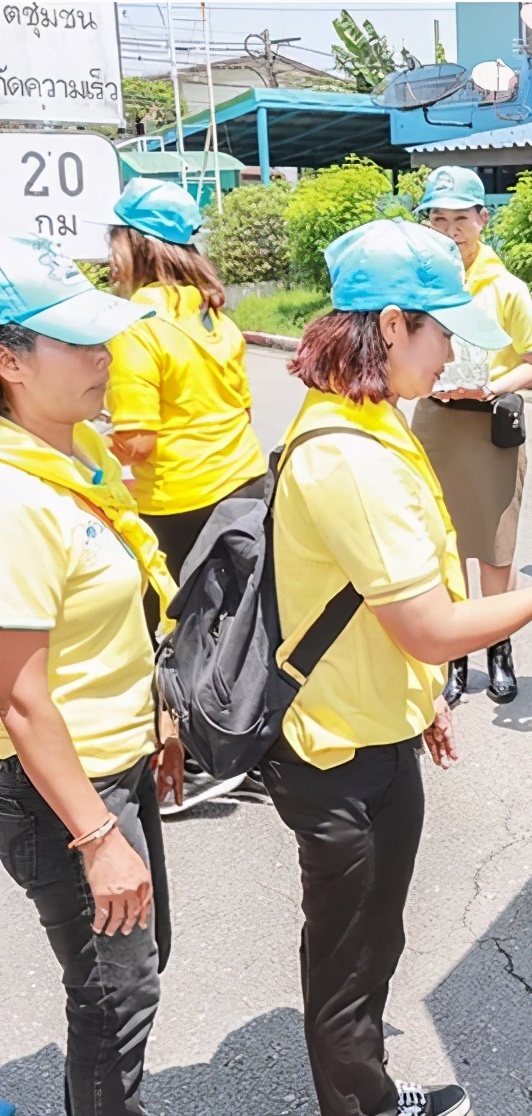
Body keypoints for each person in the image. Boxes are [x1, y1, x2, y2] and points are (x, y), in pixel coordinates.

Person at [267, 218, 532, 1116]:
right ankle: (365, 1108)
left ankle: (366, 1096)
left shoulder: (367, 418)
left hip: (373, 721)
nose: (453, 350)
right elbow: (430, 624)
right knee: (350, 959)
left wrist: (421, 693)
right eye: (440, 329)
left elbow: (395, 608)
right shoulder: (352, 454)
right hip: (338, 749)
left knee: (369, 942)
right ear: (391, 325)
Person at [0, 234, 183, 1114]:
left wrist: (159, 716)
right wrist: (96, 836)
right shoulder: (14, 498)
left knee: (136, 968)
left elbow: (113, 614)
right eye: (77, 344)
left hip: (113, 760)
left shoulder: (80, 457)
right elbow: (19, 695)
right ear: (10, 361)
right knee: (116, 996)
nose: (103, 360)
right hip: (59, 788)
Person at [105, 177, 269, 812]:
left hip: (177, 499)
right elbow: (241, 405)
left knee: (170, 632)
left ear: (136, 243)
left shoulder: (135, 323)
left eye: (115, 236)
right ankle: (237, 745)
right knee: (231, 623)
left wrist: (97, 437)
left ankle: (195, 758)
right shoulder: (213, 312)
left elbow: (140, 442)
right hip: (243, 484)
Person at [410, 166, 532, 707]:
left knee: (494, 547)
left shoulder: (506, 287)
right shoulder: (419, 286)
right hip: (437, 423)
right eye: (438, 218)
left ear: (482, 219)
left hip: (490, 425)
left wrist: (489, 387)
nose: (450, 229)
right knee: (442, 541)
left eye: (460, 218)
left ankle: (498, 649)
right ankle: (454, 657)